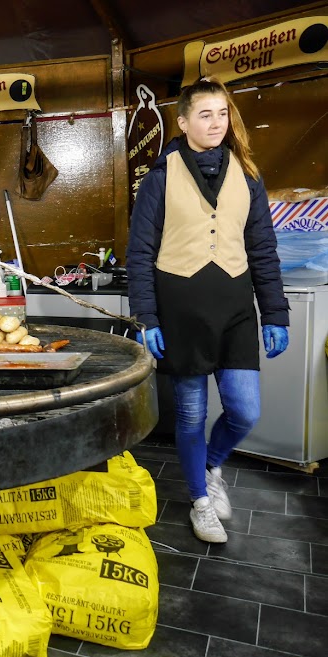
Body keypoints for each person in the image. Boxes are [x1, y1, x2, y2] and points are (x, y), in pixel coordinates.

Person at [126, 76, 289, 544]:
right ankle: (200, 500)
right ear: (183, 122)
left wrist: (275, 313)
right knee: (191, 414)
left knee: (245, 410)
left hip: (236, 310)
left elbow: (263, 249)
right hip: (181, 313)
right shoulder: (160, 177)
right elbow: (140, 254)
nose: (217, 123)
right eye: (205, 114)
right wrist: (146, 317)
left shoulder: (248, 174)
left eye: (222, 113)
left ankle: (212, 466)